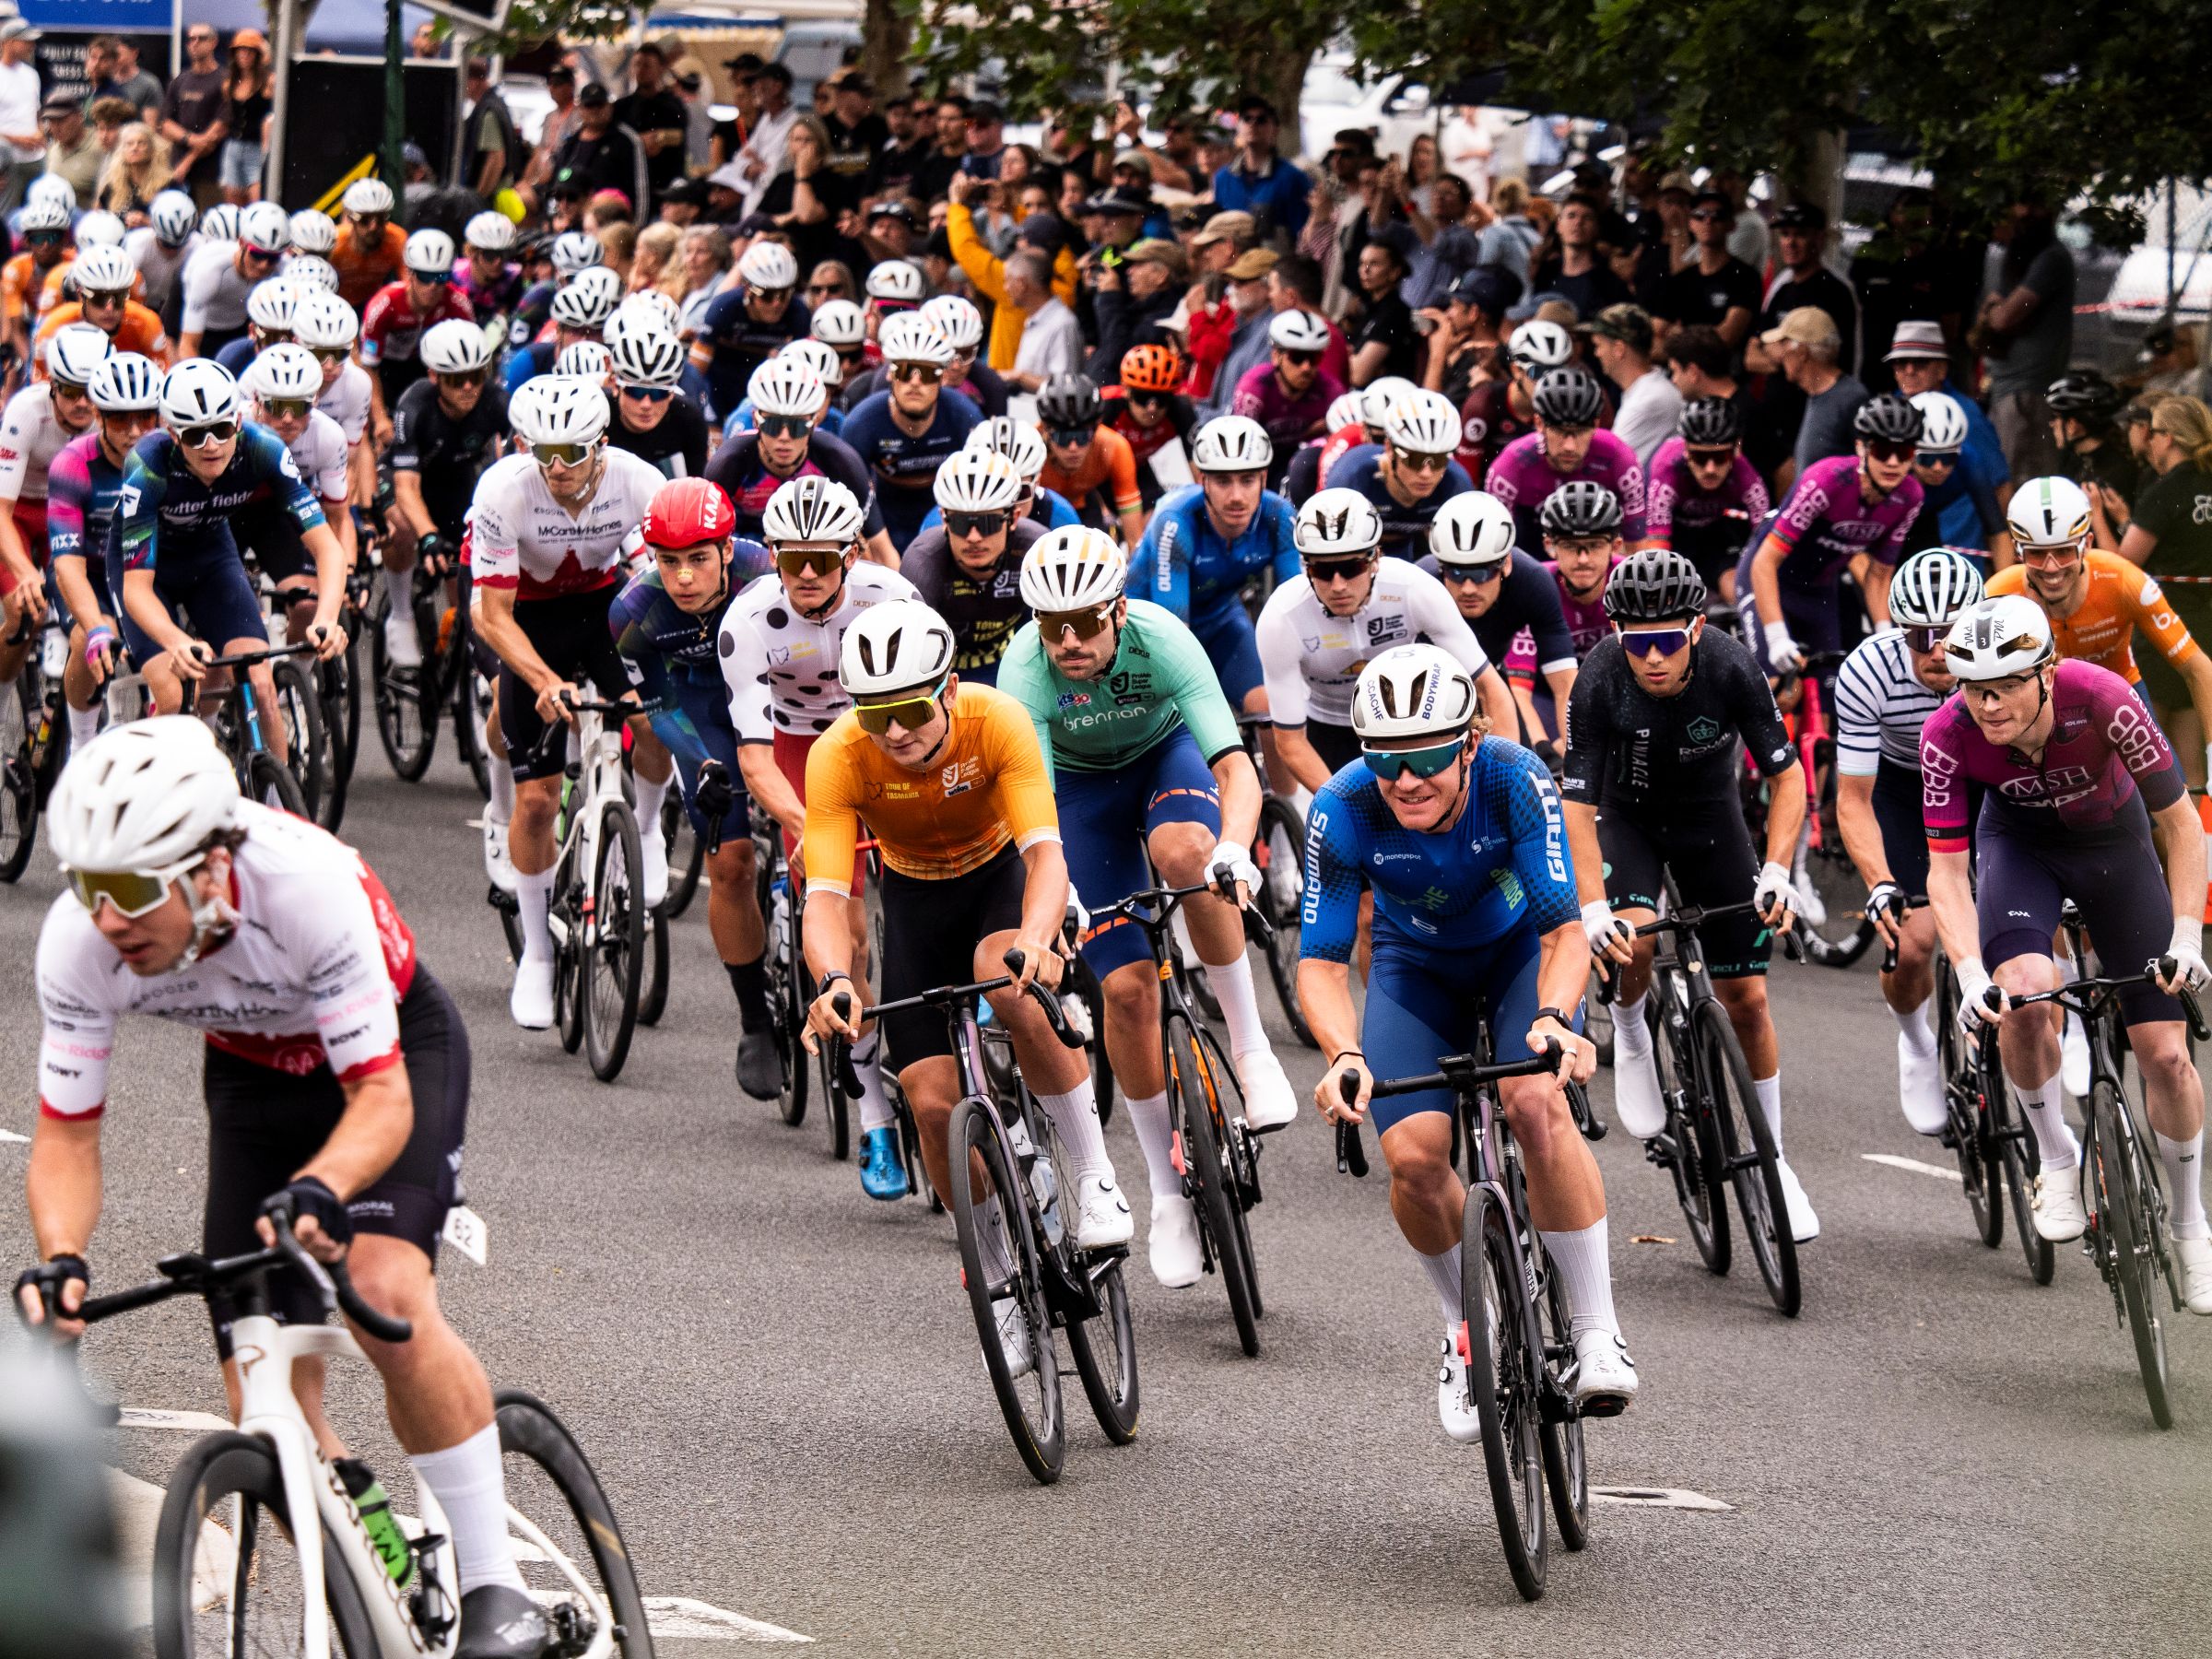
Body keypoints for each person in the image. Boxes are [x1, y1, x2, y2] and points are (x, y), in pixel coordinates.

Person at [21, 720, 560, 1656]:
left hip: (391, 1058)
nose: (107, 919)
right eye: (88, 888)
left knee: (386, 1294)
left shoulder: (306, 887)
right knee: (260, 1388)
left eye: (132, 891)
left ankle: (494, 1587)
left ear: (209, 868)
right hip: (252, 1079)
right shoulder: (81, 942)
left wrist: (321, 1190)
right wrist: (60, 1258)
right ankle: (382, 1562)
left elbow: (380, 1099)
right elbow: (67, 1136)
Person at [1301, 646, 1639, 1430]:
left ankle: (1595, 1328)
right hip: (1413, 968)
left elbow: (1563, 933)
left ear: (1470, 740)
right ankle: (1466, 1328)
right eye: (1386, 761)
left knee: (1532, 1101)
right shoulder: (1343, 807)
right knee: (1413, 1156)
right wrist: (1343, 1056)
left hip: (1519, 952)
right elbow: (1318, 963)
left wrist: (1555, 1020)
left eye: (1425, 756)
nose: (1406, 780)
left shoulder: (1514, 779)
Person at [998, 529, 1293, 1285]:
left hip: (1167, 760)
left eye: (1085, 622)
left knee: (1186, 857)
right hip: (1080, 795)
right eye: (1050, 625)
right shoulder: (1024, 671)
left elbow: (1234, 765)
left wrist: (1234, 846)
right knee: (1126, 990)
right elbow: (1033, 815)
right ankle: (1166, 1194)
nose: (1067, 641)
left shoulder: (1163, 638)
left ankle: (1252, 1050)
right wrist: (1054, 897)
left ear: (1119, 610)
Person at [1924, 596, 2211, 1311]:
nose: (1987, 706)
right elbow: (1948, 873)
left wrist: (2185, 936)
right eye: (1973, 689)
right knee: (2022, 995)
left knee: (2167, 1055)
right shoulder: (1947, 734)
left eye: (2004, 687)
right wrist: (1965, 974)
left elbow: (2182, 828)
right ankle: (2055, 1156)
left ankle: (2189, 1220)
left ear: (2046, 673)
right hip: (2019, 850)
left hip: (2116, 846)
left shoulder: (2105, 699)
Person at [1566, 550, 1820, 1242]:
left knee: (1749, 998)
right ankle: (1630, 1028)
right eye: (1635, 641)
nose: (1651, 658)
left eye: (1666, 642)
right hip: (1630, 820)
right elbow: (1578, 808)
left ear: (1697, 629)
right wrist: (1593, 910)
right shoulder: (1597, 681)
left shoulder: (1733, 665)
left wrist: (1777, 870)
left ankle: (1777, 1161)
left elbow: (1788, 778)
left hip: (1713, 818)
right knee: (1636, 935)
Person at [723, 476, 918, 1193]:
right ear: (772, 555)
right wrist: (810, 824)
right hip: (800, 750)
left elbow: (939, 719)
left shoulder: (893, 599)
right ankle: (875, 1122)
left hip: (883, 736)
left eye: (823, 560)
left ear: (851, 555)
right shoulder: (746, 622)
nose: (806, 574)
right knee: (851, 939)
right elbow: (752, 758)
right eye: (791, 558)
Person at [465, 376, 677, 1029]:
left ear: (602, 446)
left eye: (573, 453)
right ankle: (537, 953)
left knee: (653, 719)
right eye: (543, 451)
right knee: (536, 797)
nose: (556, 468)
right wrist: (538, 679)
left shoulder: (639, 482)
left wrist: (657, 673)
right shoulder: (504, 490)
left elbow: (658, 584)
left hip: (606, 609)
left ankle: (642, 828)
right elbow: (491, 615)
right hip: (526, 616)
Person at [610, 477, 780, 1094]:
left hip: (773, 697)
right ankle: (755, 1019)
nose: (683, 578)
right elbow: (659, 705)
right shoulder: (633, 611)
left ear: (728, 550)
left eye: (699, 560)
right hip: (699, 709)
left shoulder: (765, 575)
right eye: (669, 562)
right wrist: (703, 765)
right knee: (730, 864)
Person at [111, 361, 349, 755]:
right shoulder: (147, 465)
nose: (212, 446)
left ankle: (277, 805)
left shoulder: (264, 447)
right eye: (195, 435)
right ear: (172, 435)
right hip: (148, 570)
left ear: (237, 422)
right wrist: (176, 641)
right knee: (172, 698)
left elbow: (327, 548)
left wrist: (325, 619)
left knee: (261, 684)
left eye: (221, 430)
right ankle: (134, 777)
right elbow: (136, 590)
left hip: (209, 556)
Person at [1831, 548, 1984, 1135]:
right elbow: (1854, 798)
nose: (1940, 650)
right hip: (1904, 785)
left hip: (1981, 777)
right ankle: (1919, 1042)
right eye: (1923, 636)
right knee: (1916, 939)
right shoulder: (1868, 672)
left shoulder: (2000, 662)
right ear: (1900, 632)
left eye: (1951, 633)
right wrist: (1880, 883)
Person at [1260, 486, 1509, 796]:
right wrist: (1339, 804)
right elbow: (1290, 742)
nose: (1338, 585)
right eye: (1323, 570)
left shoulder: (1414, 588)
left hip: (1413, 722)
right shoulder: (1282, 618)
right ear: (1306, 568)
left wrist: (1504, 780)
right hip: (1329, 726)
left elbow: (1490, 687)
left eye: (1351, 568)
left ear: (1375, 558)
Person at [1989, 475, 2212, 765]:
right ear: (2019, 553)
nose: (2052, 568)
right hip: (2045, 709)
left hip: (2122, 695)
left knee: (2168, 790)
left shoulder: (2123, 581)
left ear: (2087, 543)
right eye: (2037, 554)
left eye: (2064, 551)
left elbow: (2197, 668)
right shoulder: (1997, 598)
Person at [1126, 414, 1296, 735]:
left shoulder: (1279, 516)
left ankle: (1284, 789)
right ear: (1202, 480)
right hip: (1151, 628)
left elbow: (1296, 609)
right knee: (1188, 721)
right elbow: (1172, 632)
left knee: (1269, 710)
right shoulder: (1176, 521)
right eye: (1222, 481)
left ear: (1263, 478)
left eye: (1247, 480)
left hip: (1219, 618)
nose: (1236, 496)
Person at [1739, 393, 1925, 676]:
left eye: (1903, 453)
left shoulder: (1910, 496)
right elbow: (1765, 562)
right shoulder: (1826, 481)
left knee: (1830, 693)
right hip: (1771, 578)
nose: (1892, 462)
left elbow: (1878, 576)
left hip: (1819, 589)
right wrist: (1777, 638)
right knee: (1778, 690)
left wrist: (1886, 636)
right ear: (1861, 447)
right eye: (1882, 450)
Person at [41, 352, 159, 746]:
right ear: (98, 415)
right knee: (94, 638)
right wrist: (92, 628)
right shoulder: (72, 463)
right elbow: (68, 568)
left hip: (143, 568)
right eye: (120, 419)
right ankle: (82, 742)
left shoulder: (170, 457)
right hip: (86, 570)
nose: (135, 431)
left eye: (145, 417)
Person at [382, 319, 507, 671]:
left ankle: (462, 665)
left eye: (476, 376)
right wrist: (428, 536)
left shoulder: (496, 401)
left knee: (463, 586)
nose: (469, 387)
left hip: (455, 484)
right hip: (404, 480)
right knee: (404, 531)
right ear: (435, 377)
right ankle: (401, 613)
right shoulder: (415, 404)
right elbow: (406, 488)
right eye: (456, 379)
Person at [0, 326, 109, 684]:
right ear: (53, 387)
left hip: (65, 513)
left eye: (91, 393)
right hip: (15, 510)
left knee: (85, 610)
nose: (82, 404)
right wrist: (27, 573)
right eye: (72, 391)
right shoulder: (27, 411)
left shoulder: (110, 422)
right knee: (24, 610)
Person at [703, 358, 893, 560]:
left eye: (797, 426)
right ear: (756, 422)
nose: (784, 437)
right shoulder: (730, 462)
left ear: (813, 424)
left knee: (859, 550)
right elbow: (705, 548)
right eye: (773, 425)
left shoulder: (839, 458)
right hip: (745, 546)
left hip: (814, 548)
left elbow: (882, 551)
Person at [2119, 396, 2212, 783]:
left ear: (2168, 437)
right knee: (2193, 754)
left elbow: (2123, 566)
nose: (2149, 442)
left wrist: (2109, 520)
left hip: (2163, 629)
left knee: (2143, 748)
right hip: (2205, 627)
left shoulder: (2166, 490)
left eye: (2153, 432)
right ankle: (2204, 841)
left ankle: (2157, 841)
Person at [899, 447, 1041, 684]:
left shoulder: (1034, 549)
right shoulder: (922, 561)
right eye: (962, 524)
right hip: (942, 671)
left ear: (1014, 519)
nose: (974, 537)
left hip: (1015, 662)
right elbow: (910, 658)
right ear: (945, 520)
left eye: (988, 523)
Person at [839, 312, 980, 550]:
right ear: (890, 374)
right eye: (905, 372)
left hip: (946, 523)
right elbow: (848, 501)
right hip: (882, 525)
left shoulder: (964, 416)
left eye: (926, 373)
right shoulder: (861, 424)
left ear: (943, 377)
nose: (915, 383)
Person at [1482, 364, 1649, 555]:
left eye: (1579, 432)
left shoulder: (1619, 459)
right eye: (1560, 432)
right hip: (1531, 561)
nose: (1569, 446)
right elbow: (1494, 552)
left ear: (1595, 425)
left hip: (1594, 565)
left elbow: (1638, 548)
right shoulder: (1512, 465)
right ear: (1539, 424)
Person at [1975, 199, 2076, 479]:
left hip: (2028, 391)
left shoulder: (2051, 258)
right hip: (2009, 387)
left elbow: (2005, 316)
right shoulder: (2017, 259)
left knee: (2020, 479)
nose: (2024, 213)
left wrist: (1992, 309)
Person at [1328, 387, 1477, 559]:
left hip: (1413, 546)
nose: (1426, 473)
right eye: (1414, 459)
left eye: (1438, 460)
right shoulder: (1352, 477)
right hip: (1357, 554)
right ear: (1389, 449)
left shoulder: (1457, 482)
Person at [1644, 397, 1770, 599]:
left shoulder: (1748, 479)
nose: (1710, 469)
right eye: (1700, 458)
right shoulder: (1666, 469)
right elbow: (1658, 548)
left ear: (1737, 448)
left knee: (1736, 588)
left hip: (1715, 534)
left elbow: (1765, 549)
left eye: (1720, 458)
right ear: (1686, 450)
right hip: (1673, 534)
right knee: (1666, 589)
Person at [359, 229, 476, 446]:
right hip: (385, 369)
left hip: (427, 369)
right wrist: (381, 419)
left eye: (441, 277)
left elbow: (470, 362)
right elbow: (368, 367)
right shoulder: (384, 305)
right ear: (410, 275)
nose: (432, 286)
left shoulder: (459, 304)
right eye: (425, 277)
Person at [691, 240, 809, 417]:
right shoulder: (724, 308)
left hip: (764, 392)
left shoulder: (798, 312)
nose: (777, 304)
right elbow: (696, 370)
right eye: (767, 295)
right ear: (747, 290)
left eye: (785, 294)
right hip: (719, 387)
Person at [1034, 373, 1145, 548]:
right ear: (1045, 431)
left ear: (1096, 430)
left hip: (1083, 504)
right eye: (1063, 437)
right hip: (1039, 509)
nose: (1073, 447)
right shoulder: (1030, 449)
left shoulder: (1114, 447)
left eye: (1082, 436)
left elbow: (1135, 540)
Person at [1762, 306, 1867, 490]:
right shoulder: (1814, 394)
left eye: (1784, 345)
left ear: (1802, 352)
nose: (1780, 356)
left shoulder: (1852, 398)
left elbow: (1866, 470)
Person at [1899, 391, 2009, 559]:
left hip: (1927, 522)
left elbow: (1998, 533)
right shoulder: (1894, 465)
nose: (1938, 467)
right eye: (1927, 458)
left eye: (1947, 457)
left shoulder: (1969, 460)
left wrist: (2002, 584)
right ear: (1910, 452)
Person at [175, 199, 289, 360]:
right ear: (242, 243)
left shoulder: (283, 268)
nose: (264, 265)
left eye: (273, 258)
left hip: (240, 327)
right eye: (257, 254)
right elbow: (187, 345)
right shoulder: (210, 270)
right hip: (201, 327)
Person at [33, 241, 171, 371]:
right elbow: (42, 388)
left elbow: (163, 381)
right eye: (99, 298)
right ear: (81, 295)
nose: (109, 308)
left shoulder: (146, 322)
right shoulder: (55, 325)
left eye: (118, 298)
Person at [603, 314, 709, 478]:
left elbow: (696, 486)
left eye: (659, 393)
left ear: (672, 393)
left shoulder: (689, 419)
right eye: (635, 391)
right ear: (616, 387)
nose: (646, 404)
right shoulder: (597, 414)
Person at [1652, 190, 1759, 350]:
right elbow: (1654, 336)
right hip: (1682, 371)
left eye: (1718, 215)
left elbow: (1726, 337)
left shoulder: (1745, 276)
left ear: (1731, 225)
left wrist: (1679, 334)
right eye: (1700, 215)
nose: (1708, 220)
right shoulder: (1681, 280)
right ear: (1691, 223)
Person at [1757, 202, 1857, 373]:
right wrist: (1793, 355)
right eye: (1785, 234)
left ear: (1819, 238)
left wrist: (1776, 351)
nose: (1790, 242)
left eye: (1800, 235)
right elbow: (1752, 356)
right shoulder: (1780, 287)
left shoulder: (1837, 290)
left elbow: (1836, 358)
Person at [1580, 302, 1680, 468]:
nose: (1596, 353)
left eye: (1598, 345)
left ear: (1619, 349)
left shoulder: (1649, 400)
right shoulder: (1646, 390)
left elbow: (1608, 469)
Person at [2046, 370, 2138, 545]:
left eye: (2055, 417)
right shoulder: (2071, 457)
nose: (2051, 424)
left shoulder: (2116, 472)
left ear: (2073, 425)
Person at [1211, 97, 1309, 244]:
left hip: (1274, 263)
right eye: (1247, 118)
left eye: (1261, 120)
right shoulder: (1223, 178)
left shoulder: (1292, 178)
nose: (1253, 124)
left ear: (1275, 130)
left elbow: (1303, 236)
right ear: (1238, 126)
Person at [548, 84, 648, 216]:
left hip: (610, 223)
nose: (595, 110)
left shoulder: (626, 141)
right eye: (590, 105)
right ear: (580, 109)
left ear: (610, 106)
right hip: (571, 221)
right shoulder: (570, 144)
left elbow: (640, 189)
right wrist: (553, 219)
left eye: (600, 105)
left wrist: (634, 228)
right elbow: (556, 186)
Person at [1528, 194, 1631, 321]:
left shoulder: (1608, 283)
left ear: (1596, 228)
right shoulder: (1545, 274)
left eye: (1587, 218)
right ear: (1558, 225)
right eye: (1571, 216)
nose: (1578, 222)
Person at [157, 23, 227, 207]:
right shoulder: (180, 80)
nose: (194, 43)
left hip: (210, 173)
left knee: (208, 225)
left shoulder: (224, 80)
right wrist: (192, 139)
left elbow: (216, 133)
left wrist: (188, 161)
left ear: (213, 42)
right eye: (190, 39)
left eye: (201, 38)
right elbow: (164, 124)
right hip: (177, 169)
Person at [612, 42, 688, 205]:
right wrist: (639, 142)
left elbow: (678, 136)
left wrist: (657, 139)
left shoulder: (673, 106)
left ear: (661, 68)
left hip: (663, 185)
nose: (641, 70)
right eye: (637, 64)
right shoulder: (621, 107)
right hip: (630, 185)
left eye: (647, 65)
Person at [328, 177, 406, 312]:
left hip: (372, 303)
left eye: (381, 219)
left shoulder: (397, 239)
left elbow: (408, 287)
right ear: (350, 218)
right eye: (364, 219)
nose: (373, 227)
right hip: (335, 303)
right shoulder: (334, 242)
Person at [216, 28, 271, 206]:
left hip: (257, 146)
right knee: (232, 199)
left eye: (249, 51)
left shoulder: (268, 82)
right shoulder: (229, 84)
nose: (244, 55)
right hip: (233, 145)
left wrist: (265, 51)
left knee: (257, 198)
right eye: (240, 50)